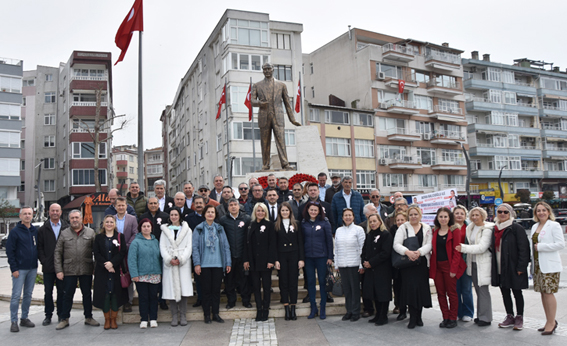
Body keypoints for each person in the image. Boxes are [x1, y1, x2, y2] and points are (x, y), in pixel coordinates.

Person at [54, 210, 100, 330]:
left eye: (77, 217)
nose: (75, 220)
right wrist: (59, 270)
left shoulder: (90, 233)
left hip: (86, 268)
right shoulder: (64, 233)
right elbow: (58, 252)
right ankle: (64, 319)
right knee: (67, 295)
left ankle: (89, 317)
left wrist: (96, 268)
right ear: (69, 220)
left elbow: (97, 252)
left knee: (87, 294)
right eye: (72, 218)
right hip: (69, 269)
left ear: (81, 219)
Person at [251, 62, 301, 171]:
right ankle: (265, 165)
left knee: (281, 140)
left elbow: (287, 103)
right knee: (265, 142)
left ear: (273, 69)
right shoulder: (257, 85)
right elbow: (252, 101)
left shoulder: (281, 85)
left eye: (269, 69)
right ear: (262, 70)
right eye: (265, 69)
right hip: (264, 117)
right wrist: (260, 103)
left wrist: (292, 119)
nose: (267, 71)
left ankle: (285, 163)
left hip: (278, 117)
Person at [393, 205, 432, 329]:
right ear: (408, 216)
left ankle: (419, 317)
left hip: (421, 264)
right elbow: (396, 244)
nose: (413, 216)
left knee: (420, 291)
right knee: (410, 291)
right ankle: (412, 318)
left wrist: (419, 252)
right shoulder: (403, 228)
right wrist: (408, 252)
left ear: (420, 215)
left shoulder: (427, 228)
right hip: (408, 265)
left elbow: (430, 244)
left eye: (416, 214)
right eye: (411, 215)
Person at [492, 203, 529, 331]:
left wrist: (521, 267)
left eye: (505, 212)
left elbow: (524, 249)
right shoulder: (495, 228)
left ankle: (519, 317)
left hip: (514, 266)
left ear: (511, 213)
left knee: (517, 292)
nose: (502, 214)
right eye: (500, 212)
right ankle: (509, 316)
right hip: (500, 266)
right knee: (505, 292)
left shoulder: (516, 228)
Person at [529, 202, 565, 335]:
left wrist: (542, 246)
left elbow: (560, 244)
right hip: (538, 265)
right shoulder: (534, 226)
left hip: (550, 265)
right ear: (535, 213)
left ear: (549, 212)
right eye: (538, 211)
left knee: (549, 293)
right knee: (543, 293)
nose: (541, 213)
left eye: (544, 210)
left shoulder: (554, 225)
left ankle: (552, 322)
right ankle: (548, 320)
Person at [193, 205, 232, 324]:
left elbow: (226, 246)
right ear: (204, 214)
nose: (210, 214)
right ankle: (206, 315)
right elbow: (195, 247)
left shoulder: (220, 229)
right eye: (208, 212)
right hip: (204, 265)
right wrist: (197, 263)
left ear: (215, 215)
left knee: (216, 291)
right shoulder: (199, 229)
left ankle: (215, 313)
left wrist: (228, 262)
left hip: (218, 264)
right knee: (206, 291)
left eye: (212, 212)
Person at [456, 207, 494, 327]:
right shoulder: (471, 227)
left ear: (483, 215)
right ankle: (481, 315)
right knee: (477, 289)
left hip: (482, 262)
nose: (475, 217)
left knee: (483, 290)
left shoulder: (487, 229)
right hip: (472, 262)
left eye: (477, 215)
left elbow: (482, 247)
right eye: (473, 215)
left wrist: (463, 248)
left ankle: (486, 318)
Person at [429, 208, 466, 329]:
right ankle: (445, 317)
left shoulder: (454, 231)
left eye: (445, 217)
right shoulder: (434, 230)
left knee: (452, 293)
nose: (443, 219)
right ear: (437, 218)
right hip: (437, 266)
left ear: (449, 218)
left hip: (449, 266)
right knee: (440, 293)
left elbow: (457, 252)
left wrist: (453, 269)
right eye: (441, 217)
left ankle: (453, 317)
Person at [93, 215, 127, 330]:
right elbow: (96, 253)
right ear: (103, 224)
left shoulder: (120, 236)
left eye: (111, 222)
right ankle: (107, 320)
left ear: (115, 224)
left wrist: (112, 263)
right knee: (105, 295)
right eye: (107, 222)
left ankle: (114, 319)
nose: (109, 224)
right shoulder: (98, 237)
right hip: (103, 271)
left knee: (115, 295)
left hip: (116, 270)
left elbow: (122, 252)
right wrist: (106, 265)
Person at [160, 207, 193, 326]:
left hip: (183, 263)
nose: (174, 217)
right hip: (170, 263)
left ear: (180, 215)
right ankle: (174, 315)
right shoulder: (165, 230)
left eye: (176, 214)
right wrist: (169, 259)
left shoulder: (187, 230)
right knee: (171, 289)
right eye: (172, 215)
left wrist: (181, 259)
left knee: (183, 289)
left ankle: (183, 315)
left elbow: (189, 247)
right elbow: (162, 247)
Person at [6, 207, 38, 332]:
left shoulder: (34, 231)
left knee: (28, 295)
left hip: (32, 268)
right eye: (25, 214)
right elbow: (10, 251)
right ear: (20, 216)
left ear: (32, 216)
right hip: (19, 269)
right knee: (16, 296)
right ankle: (14, 321)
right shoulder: (15, 232)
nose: (27, 216)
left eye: (29, 214)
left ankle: (24, 318)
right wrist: (14, 268)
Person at [37, 203, 68, 326]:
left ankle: (61, 315)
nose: (55, 212)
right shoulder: (42, 229)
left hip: (62, 266)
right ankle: (48, 315)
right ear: (48, 212)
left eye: (57, 210)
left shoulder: (66, 227)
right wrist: (44, 261)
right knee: (48, 291)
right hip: (48, 266)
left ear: (60, 212)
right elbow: (39, 248)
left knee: (62, 291)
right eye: (52, 210)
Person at [244, 203, 276, 322]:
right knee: (256, 287)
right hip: (253, 261)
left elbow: (272, 244)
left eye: (262, 211)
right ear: (255, 212)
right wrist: (246, 259)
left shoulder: (269, 225)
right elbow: (246, 244)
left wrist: (271, 260)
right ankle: (259, 309)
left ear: (266, 212)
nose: (260, 213)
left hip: (266, 261)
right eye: (258, 211)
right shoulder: (250, 225)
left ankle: (266, 309)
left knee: (266, 287)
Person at [301, 201, 333, 319]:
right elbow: (302, 240)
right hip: (308, 257)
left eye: (315, 210)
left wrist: (330, 257)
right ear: (307, 210)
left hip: (322, 257)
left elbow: (329, 240)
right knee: (310, 282)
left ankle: (323, 307)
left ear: (319, 211)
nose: (313, 212)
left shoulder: (325, 222)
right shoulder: (304, 223)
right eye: (311, 210)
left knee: (322, 282)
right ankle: (313, 307)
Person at [219, 198, 253, 309]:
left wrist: (246, 257)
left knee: (244, 280)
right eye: (231, 205)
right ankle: (231, 301)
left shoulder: (246, 219)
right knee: (229, 281)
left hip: (243, 255)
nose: (233, 207)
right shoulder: (223, 220)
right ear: (228, 207)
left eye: (235, 204)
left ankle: (246, 300)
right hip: (229, 256)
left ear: (239, 206)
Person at [129, 218, 162, 329]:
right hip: (141, 275)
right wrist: (134, 274)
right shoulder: (135, 242)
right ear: (140, 228)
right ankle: (143, 319)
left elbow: (159, 258)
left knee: (153, 297)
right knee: (143, 298)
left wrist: (161, 272)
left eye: (148, 226)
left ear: (151, 228)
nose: (146, 228)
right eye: (144, 226)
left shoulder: (156, 241)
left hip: (155, 274)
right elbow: (132, 259)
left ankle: (153, 318)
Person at [334, 208, 366, 322]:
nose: (347, 217)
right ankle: (349, 311)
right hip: (343, 264)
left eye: (350, 215)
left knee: (355, 289)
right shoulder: (338, 230)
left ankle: (356, 311)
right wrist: (336, 264)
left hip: (355, 264)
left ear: (353, 217)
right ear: (342, 218)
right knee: (347, 290)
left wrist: (361, 265)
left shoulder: (358, 230)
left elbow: (362, 248)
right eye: (345, 215)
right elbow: (336, 249)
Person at [274, 202, 304, 321]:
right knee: (283, 282)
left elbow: (300, 242)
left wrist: (301, 259)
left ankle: (293, 307)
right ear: (279, 212)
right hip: (281, 255)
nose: (285, 212)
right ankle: (286, 306)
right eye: (283, 211)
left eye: (287, 210)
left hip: (294, 255)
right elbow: (274, 245)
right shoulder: (276, 225)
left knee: (293, 281)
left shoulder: (296, 224)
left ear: (290, 212)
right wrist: (275, 259)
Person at [362, 214, 393, 326]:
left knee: (382, 293)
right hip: (371, 270)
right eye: (371, 222)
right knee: (374, 293)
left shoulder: (386, 235)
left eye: (375, 221)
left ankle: (383, 316)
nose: (373, 223)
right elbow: (364, 250)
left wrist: (371, 262)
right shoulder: (369, 235)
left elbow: (385, 253)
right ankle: (377, 314)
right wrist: (364, 262)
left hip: (382, 270)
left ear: (380, 222)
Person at [114, 196, 138, 312]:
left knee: (127, 276)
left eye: (123, 205)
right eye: (119, 205)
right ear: (115, 207)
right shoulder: (111, 219)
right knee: (116, 277)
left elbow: (135, 233)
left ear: (126, 206)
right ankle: (118, 300)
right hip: (114, 253)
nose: (121, 207)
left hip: (128, 251)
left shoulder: (132, 219)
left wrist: (127, 245)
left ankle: (128, 301)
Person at [452, 205, 474, 323]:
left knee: (466, 289)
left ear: (465, 216)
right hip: (454, 262)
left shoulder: (470, 227)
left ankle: (468, 312)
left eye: (462, 213)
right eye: (457, 213)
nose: (459, 215)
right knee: (455, 289)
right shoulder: (450, 227)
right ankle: (457, 312)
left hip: (466, 261)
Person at [391, 211, 408, 319]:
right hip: (397, 263)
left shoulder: (410, 230)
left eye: (402, 220)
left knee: (408, 287)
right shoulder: (392, 230)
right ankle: (401, 309)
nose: (400, 222)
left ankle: (410, 307)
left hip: (409, 263)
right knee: (398, 288)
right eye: (398, 220)